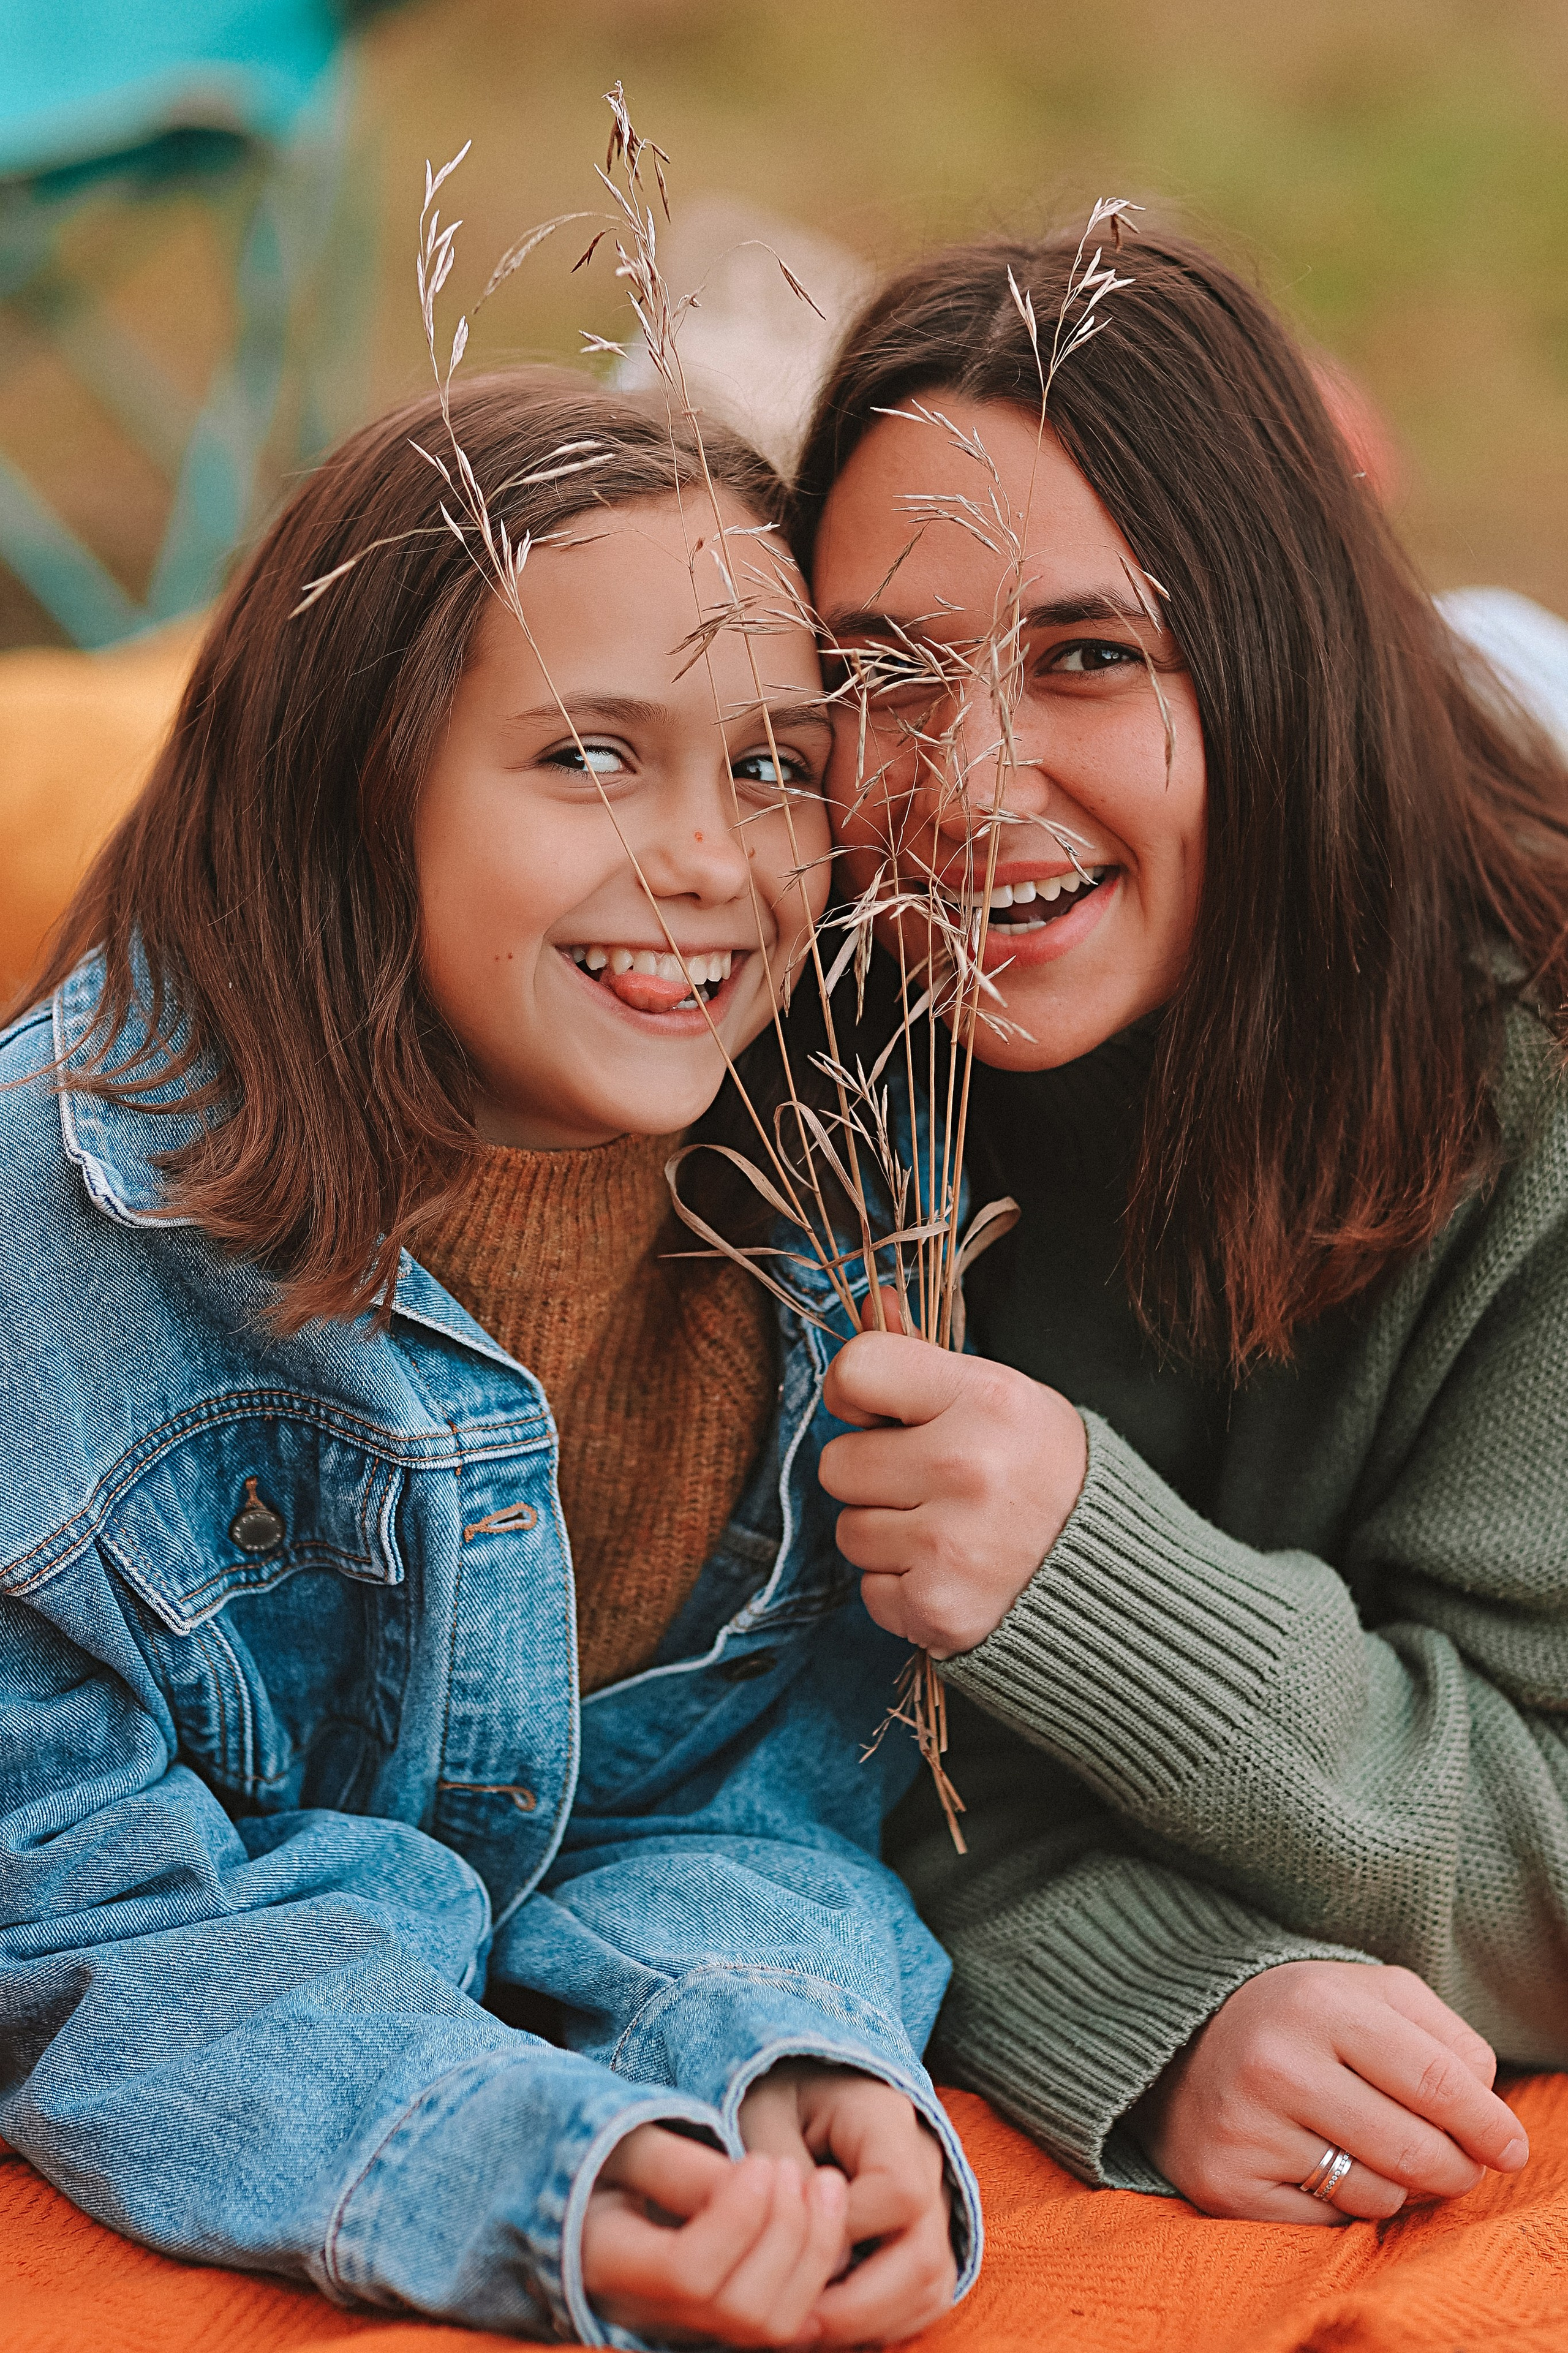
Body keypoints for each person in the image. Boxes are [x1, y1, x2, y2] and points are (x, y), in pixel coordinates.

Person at [0, 368, 979, 2347]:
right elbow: (67, 1907)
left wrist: (792, 2066)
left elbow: (730, 1794)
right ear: (356, 780)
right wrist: (545, 2175)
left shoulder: (826, 1213)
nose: (712, 859)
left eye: (777, 765)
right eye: (593, 755)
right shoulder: (62, 1239)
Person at [792, 230, 1568, 2227]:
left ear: (1279, 648)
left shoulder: (1541, 1091)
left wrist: (1087, 1567)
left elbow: (1543, 1869)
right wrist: (1163, 1998)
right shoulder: (799, 1062)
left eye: (1089, 653)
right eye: (881, 672)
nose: (965, 788)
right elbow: (760, 1753)